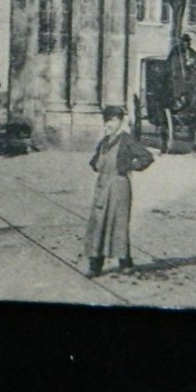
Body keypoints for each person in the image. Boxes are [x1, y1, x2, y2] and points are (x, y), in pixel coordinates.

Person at [83, 105, 155, 277]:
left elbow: (147, 157)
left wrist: (129, 166)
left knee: (119, 224)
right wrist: (97, 164)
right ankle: (95, 265)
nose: (108, 124)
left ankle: (125, 262)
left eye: (112, 121)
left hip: (120, 187)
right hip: (102, 186)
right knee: (98, 224)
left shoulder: (127, 140)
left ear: (120, 121)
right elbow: (94, 162)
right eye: (106, 121)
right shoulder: (104, 142)